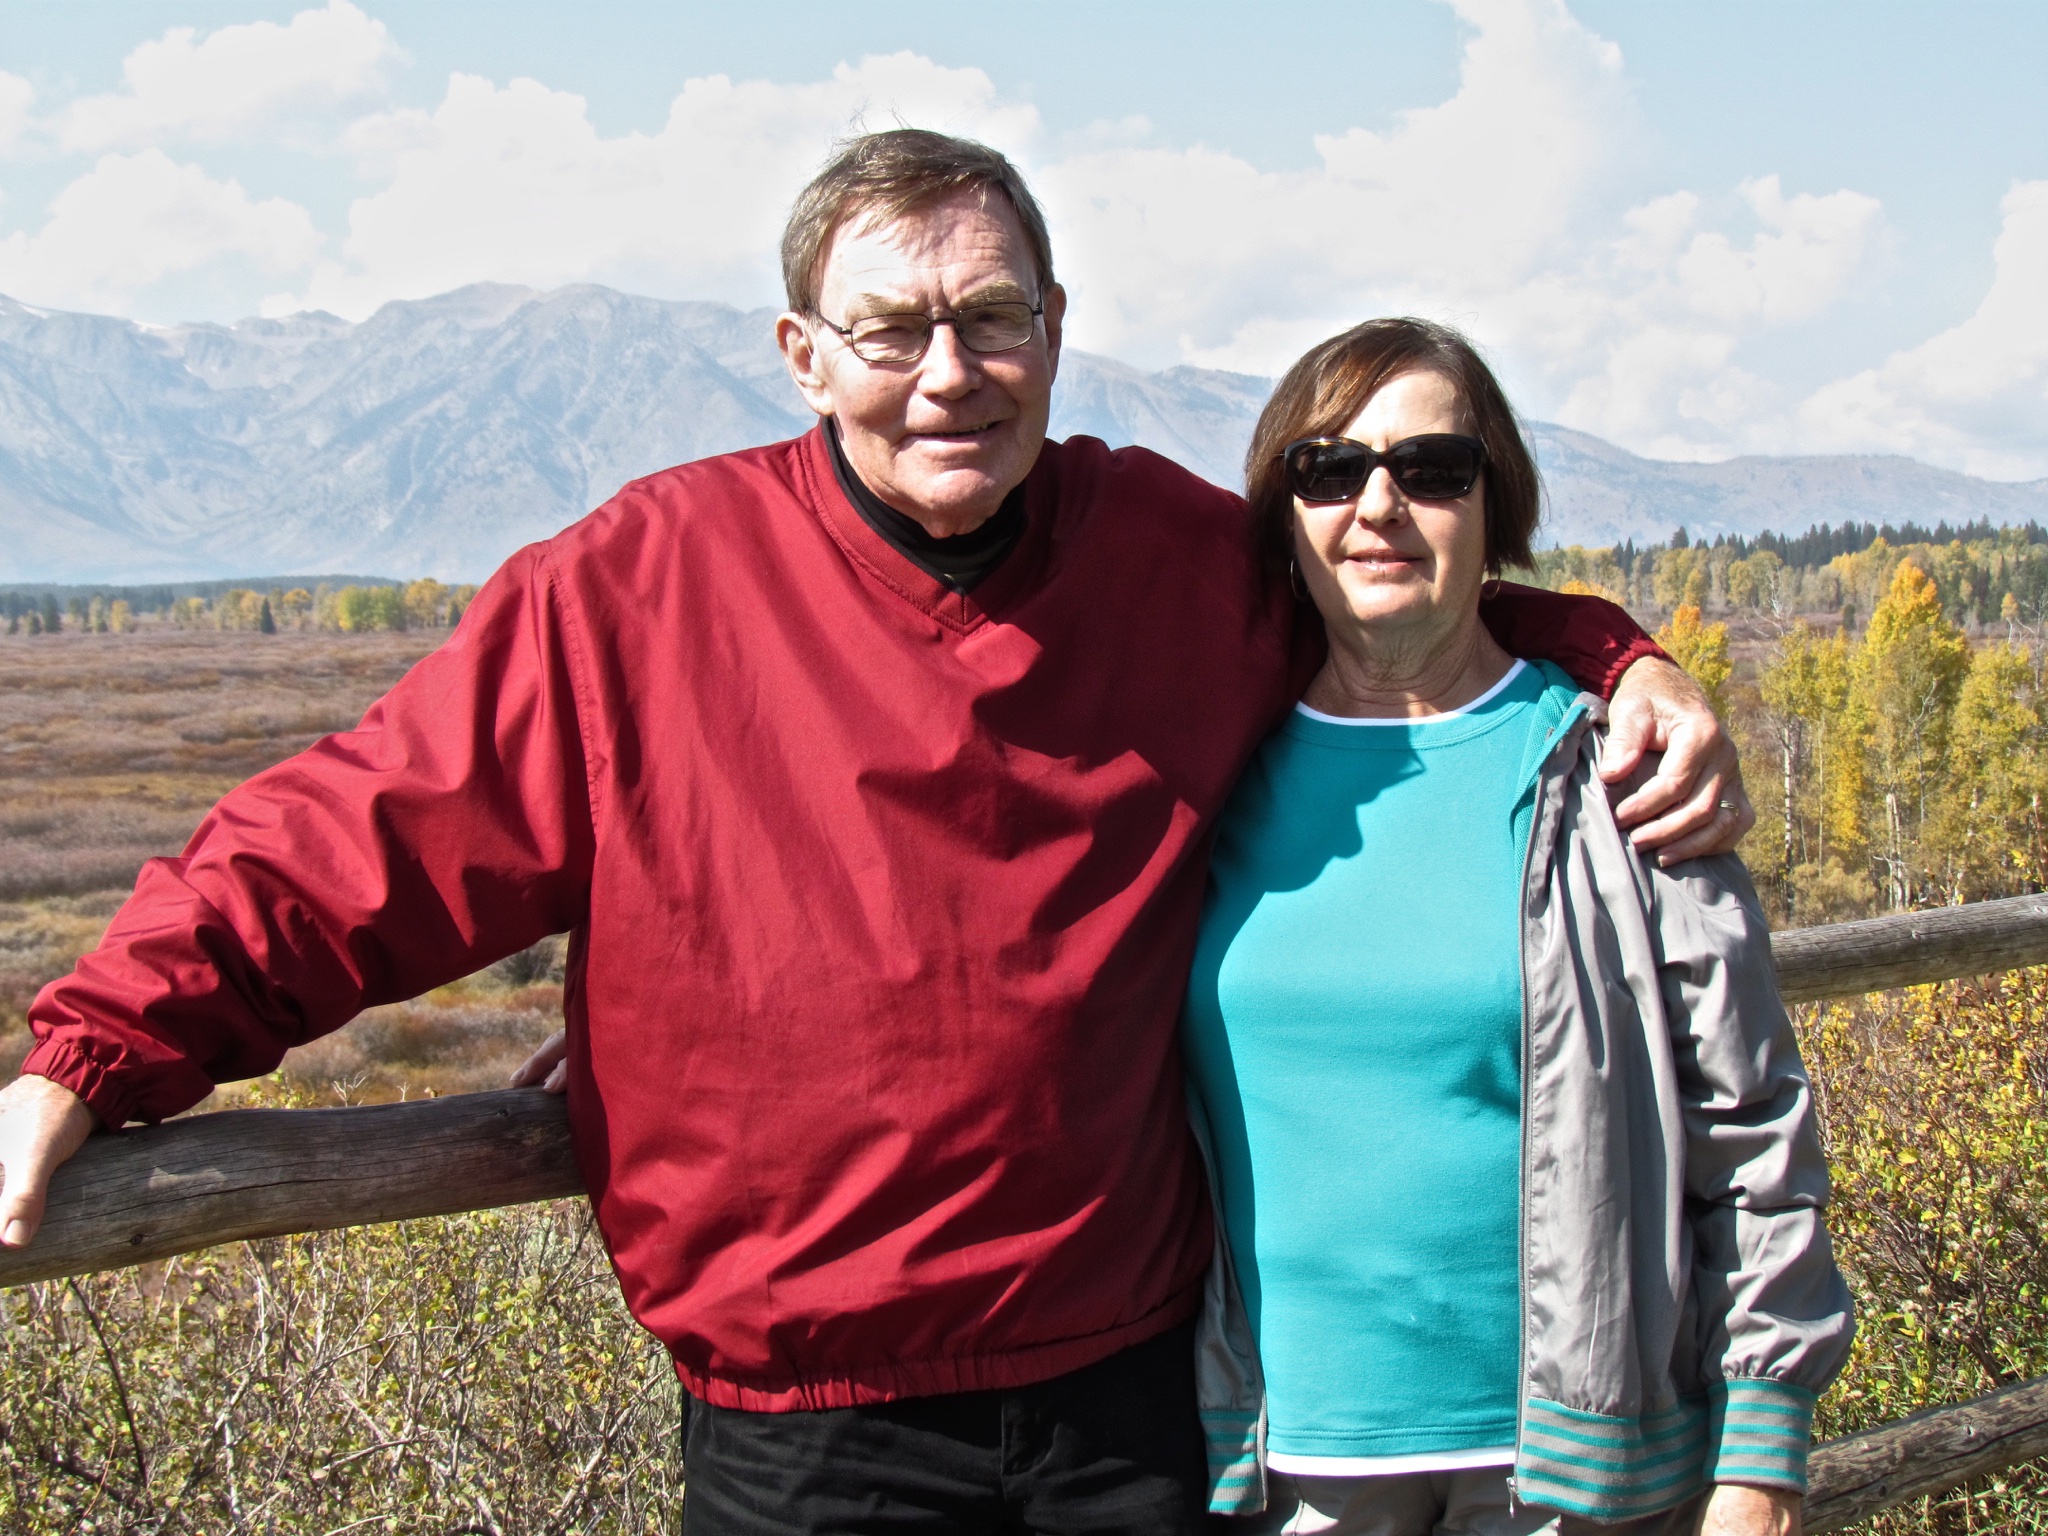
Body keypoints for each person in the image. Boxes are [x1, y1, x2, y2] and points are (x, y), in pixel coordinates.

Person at [0, 133, 1752, 1535]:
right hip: (804, 1437)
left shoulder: (1173, 563)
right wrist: (92, 1051)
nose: (948, 374)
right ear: (801, 354)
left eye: (992, 320)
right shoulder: (643, 585)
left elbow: (1401, 599)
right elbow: (354, 842)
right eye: (891, 330)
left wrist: (1613, 654)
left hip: (1130, 1406)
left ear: (1055, 335)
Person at [1180, 318, 1851, 1536]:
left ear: (1499, 506)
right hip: (1279, 1471)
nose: (1376, 505)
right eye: (1328, 469)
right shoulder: (1201, 770)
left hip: (1573, 1479)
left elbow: (1748, 1127)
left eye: (1430, 469)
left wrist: (1760, 1458)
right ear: (1283, 509)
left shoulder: (1614, 771)